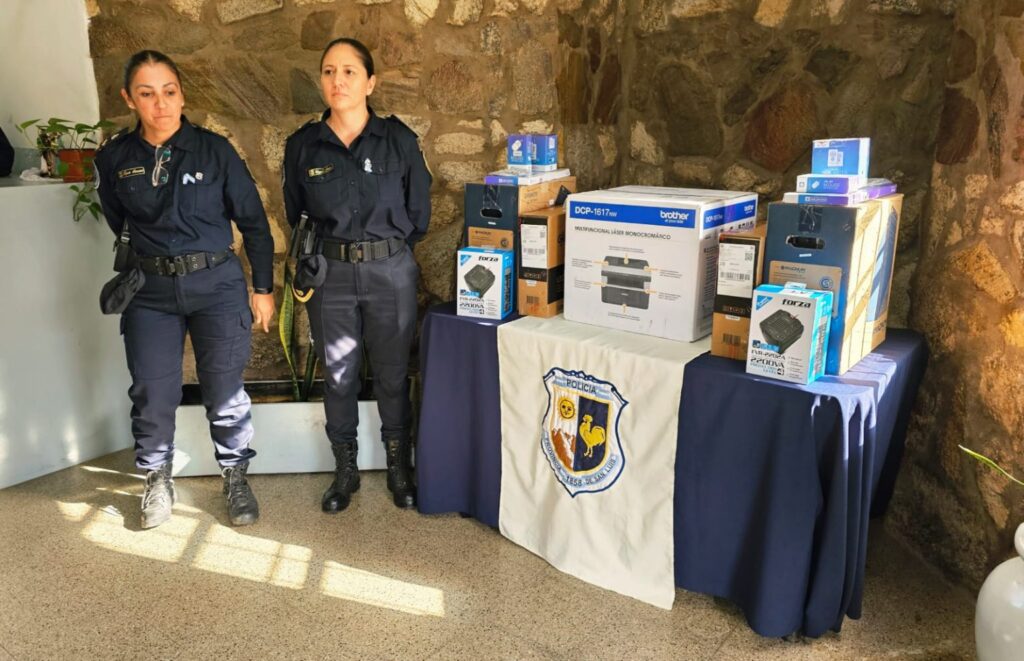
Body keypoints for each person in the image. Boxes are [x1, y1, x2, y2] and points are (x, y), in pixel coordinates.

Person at [93, 50, 276, 529]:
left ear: (182, 95)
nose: (161, 104)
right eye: (147, 94)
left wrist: (262, 288)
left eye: (169, 92)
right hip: (150, 291)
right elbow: (118, 219)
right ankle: (157, 478)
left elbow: (254, 224)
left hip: (216, 285)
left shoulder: (215, 151)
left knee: (225, 388)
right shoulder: (114, 158)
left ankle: (235, 475)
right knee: (152, 389)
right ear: (129, 99)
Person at [283, 37, 431, 513]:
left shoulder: (399, 141)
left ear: (370, 82)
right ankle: (345, 472)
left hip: (390, 272)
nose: (338, 80)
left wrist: (384, 252)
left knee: (392, 375)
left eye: (349, 71)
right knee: (339, 377)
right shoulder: (303, 146)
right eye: (329, 71)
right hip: (332, 275)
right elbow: (295, 211)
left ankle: (398, 468)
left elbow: (419, 213)